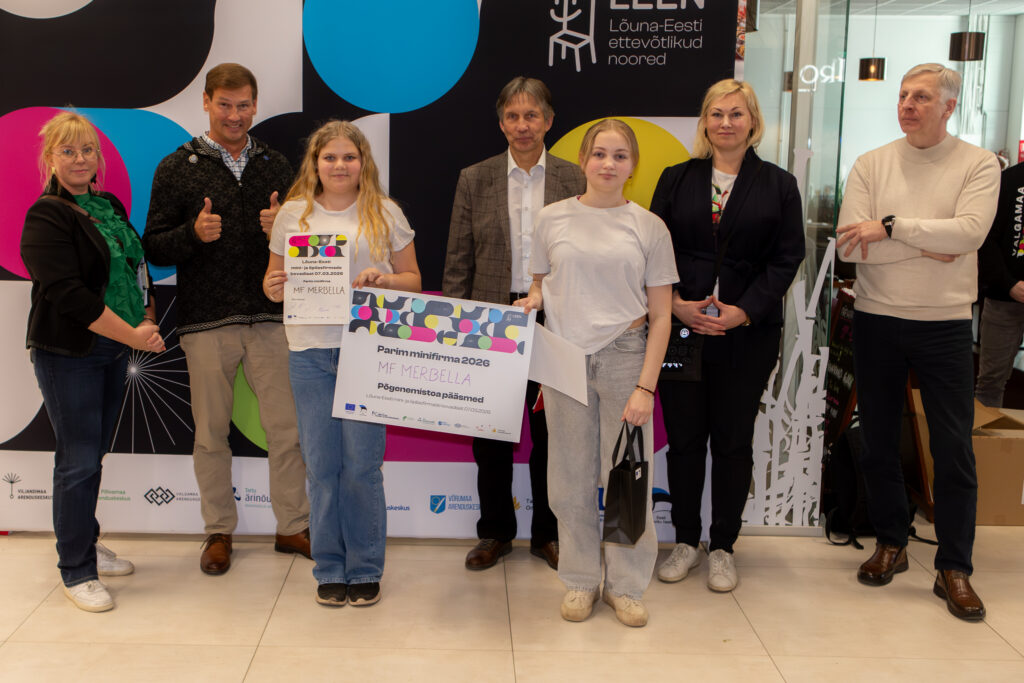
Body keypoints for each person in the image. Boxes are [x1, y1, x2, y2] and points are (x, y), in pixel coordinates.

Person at [836, 63, 999, 621]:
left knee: (953, 448)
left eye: (921, 97)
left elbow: (970, 233)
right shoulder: (871, 163)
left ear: (949, 106)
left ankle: (955, 566)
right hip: (877, 318)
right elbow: (849, 248)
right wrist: (933, 242)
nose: (907, 104)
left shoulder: (978, 164)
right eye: (903, 95)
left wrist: (890, 228)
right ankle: (892, 542)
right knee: (879, 442)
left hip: (945, 325)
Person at [143, 63, 310, 575]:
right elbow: (153, 246)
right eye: (225, 104)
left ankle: (293, 526)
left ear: (255, 105)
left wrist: (285, 230)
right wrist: (193, 234)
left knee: (287, 430)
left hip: (273, 317)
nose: (234, 115)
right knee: (211, 433)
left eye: (243, 105)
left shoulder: (277, 164)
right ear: (206, 102)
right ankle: (218, 531)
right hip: (206, 321)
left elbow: (313, 245)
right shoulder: (177, 166)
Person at [519, 118, 677, 627]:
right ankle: (581, 580)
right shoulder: (551, 219)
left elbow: (662, 316)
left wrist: (645, 387)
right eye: (600, 154)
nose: (608, 164)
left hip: (626, 357)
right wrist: (535, 298)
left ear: (633, 166)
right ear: (584, 160)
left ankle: (626, 586)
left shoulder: (649, 227)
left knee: (628, 480)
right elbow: (542, 282)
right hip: (563, 358)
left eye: (620, 156)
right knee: (568, 481)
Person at [650, 79, 804, 592]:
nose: (726, 123)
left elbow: (788, 258)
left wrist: (745, 312)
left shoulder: (779, 184)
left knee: (734, 443)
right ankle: (685, 541)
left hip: (747, 335)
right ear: (705, 122)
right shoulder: (676, 179)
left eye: (736, 114)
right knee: (685, 441)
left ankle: (723, 547)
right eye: (716, 114)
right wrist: (673, 304)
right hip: (681, 331)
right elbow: (652, 251)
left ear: (753, 122)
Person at [263, 120, 421, 607]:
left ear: (362, 162)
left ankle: (366, 567)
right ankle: (329, 567)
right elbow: (272, 281)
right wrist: (273, 287)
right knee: (321, 467)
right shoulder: (293, 215)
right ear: (315, 163)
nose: (339, 165)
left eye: (348, 157)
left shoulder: (385, 211)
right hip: (309, 351)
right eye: (329, 157)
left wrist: (385, 281)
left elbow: (414, 280)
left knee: (362, 467)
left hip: (366, 350)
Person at [21, 111, 165, 612]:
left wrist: (147, 318)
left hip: (115, 347)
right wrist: (134, 335)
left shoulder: (109, 205)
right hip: (70, 354)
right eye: (68, 151)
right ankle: (76, 569)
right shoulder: (46, 216)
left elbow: (136, 267)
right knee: (78, 460)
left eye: (87, 150)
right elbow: (69, 296)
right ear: (50, 158)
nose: (80, 159)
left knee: (92, 454)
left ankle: (84, 540)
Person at [442, 76, 585, 571]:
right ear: (501, 123)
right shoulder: (474, 178)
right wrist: (455, 331)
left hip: (554, 319)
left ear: (549, 121)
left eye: (532, 115)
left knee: (553, 435)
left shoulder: (575, 179)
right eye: (512, 116)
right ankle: (495, 533)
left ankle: (549, 534)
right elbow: (458, 259)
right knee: (490, 435)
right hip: (490, 319)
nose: (522, 125)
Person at [975, 160, 1024, 408]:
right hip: (1003, 300)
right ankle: (984, 434)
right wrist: (1009, 284)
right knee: (990, 383)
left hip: (1004, 297)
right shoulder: (1007, 181)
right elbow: (985, 239)